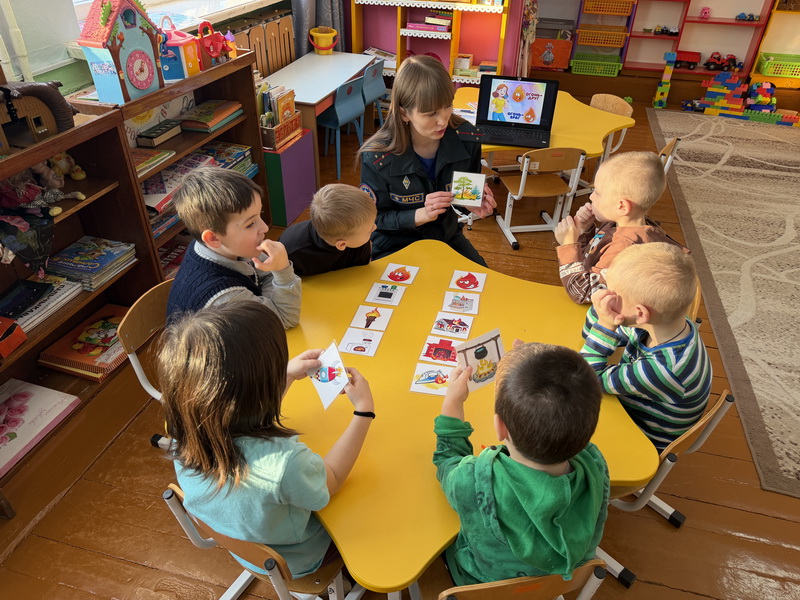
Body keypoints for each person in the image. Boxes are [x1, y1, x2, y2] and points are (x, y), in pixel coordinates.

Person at [159, 301, 375, 578]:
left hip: (242, 544)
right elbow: (330, 479)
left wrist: (284, 376)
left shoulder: (183, 430)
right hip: (297, 557)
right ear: (260, 386)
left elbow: (241, 409)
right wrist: (364, 411)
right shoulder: (285, 464)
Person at [433, 342, 609, 586]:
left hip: (482, 583)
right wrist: (532, 364)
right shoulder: (595, 463)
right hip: (559, 582)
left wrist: (452, 404)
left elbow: (447, 461)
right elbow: (560, 408)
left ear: (500, 427)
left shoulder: (473, 480)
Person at [359, 55, 496, 265]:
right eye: (431, 113)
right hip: (395, 243)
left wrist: (471, 204)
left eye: (448, 106)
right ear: (404, 114)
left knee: (482, 279)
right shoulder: (376, 157)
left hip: (446, 238)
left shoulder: (468, 139)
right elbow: (373, 218)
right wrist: (419, 215)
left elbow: (462, 199)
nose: (443, 120)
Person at [581, 243, 712, 452]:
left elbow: (587, 377)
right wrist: (604, 317)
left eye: (611, 293)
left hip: (642, 439)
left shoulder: (664, 369)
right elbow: (589, 334)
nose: (604, 295)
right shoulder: (668, 324)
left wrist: (605, 324)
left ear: (640, 314)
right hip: (637, 406)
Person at [166, 167, 301, 327]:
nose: (265, 227)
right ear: (213, 238)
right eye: (250, 223)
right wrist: (283, 271)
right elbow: (285, 318)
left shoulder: (220, 246)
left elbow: (266, 274)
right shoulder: (224, 297)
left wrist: (267, 300)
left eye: (260, 214)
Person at [553, 151, 684, 304]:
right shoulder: (621, 224)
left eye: (597, 192)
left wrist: (568, 244)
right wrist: (584, 232)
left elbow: (584, 293)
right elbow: (592, 256)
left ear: (621, 206)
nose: (591, 197)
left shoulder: (624, 248)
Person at [278, 183, 377, 277]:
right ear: (341, 244)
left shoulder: (357, 240)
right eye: (369, 231)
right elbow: (283, 283)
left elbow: (360, 273)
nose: (375, 227)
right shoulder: (290, 251)